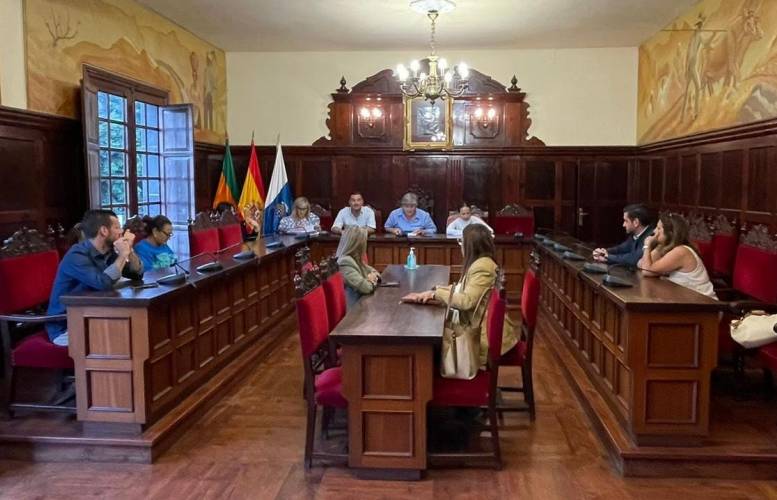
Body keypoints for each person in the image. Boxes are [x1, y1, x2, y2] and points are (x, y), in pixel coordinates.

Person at [402, 224, 517, 367]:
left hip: (481, 336)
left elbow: (466, 301)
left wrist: (435, 294)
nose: (460, 246)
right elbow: (461, 289)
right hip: (476, 325)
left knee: (432, 340)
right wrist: (434, 290)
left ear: (471, 246)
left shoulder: (482, 267)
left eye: (461, 242)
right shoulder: (480, 263)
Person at [46, 209, 144, 346]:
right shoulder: (77, 255)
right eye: (117, 227)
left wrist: (129, 250)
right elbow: (103, 283)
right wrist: (123, 255)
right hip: (67, 326)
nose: (121, 231)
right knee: (124, 338)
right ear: (104, 231)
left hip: (93, 316)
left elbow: (136, 274)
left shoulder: (108, 252)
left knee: (137, 330)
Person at [638, 213, 717, 299]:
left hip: (704, 302)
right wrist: (658, 246)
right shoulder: (667, 248)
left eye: (659, 228)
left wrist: (647, 246)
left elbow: (647, 271)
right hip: (686, 298)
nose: (654, 231)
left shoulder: (681, 251)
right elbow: (641, 265)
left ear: (670, 233)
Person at [593, 203, 654, 267]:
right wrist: (605, 251)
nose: (623, 225)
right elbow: (622, 248)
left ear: (636, 222)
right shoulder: (635, 234)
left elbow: (633, 259)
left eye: (626, 221)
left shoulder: (650, 236)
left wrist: (607, 257)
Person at [336, 226, 381, 308]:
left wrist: (372, 277)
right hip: (354, 310)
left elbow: (375, 272)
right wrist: (371, 280)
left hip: (362, 303)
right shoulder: (345, 262)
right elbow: (366, 288)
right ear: (358, 244)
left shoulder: (355, 258)